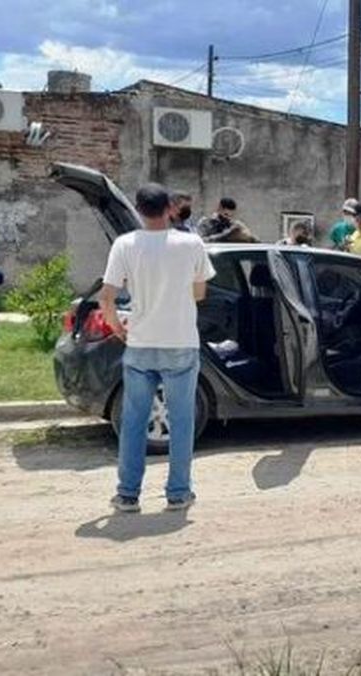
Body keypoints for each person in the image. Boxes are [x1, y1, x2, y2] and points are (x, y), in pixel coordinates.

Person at [100, 182, 215, 514]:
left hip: (140, 342)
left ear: (137, 210)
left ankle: (127, 495)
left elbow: (107, 297)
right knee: (182, 422)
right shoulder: (192, 243)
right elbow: (200, 294)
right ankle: (178, 494)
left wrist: (117, 327)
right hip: (180, 342)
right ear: (171, 209)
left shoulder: (125, 244)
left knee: (134, 421)